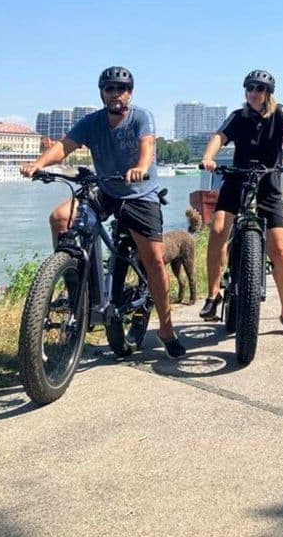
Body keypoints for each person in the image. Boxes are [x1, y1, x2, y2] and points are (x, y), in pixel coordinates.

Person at [20, 66, 185, 358]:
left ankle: (166, 328)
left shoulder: (141, 117)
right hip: (106, 189)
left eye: (121, 89)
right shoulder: (92, 122)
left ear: (129, 93)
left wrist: (141, 168)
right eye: (109, 89)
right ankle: (77, 296)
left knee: (155, 261)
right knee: (60, 218)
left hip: (140, 193)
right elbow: (64, 146)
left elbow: (147, 146)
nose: (115, 94)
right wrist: (39, 164)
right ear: (102, 93)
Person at [198, 69, 283, 336]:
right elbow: (218, 138)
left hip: (269, 179)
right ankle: (213, 295)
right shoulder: (238, 115)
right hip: (238, 176)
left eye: (259, 89)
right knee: (219, 228)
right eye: (249, 89)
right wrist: (209, 158)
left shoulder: (280, 113)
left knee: (278, 247)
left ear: (268, 92)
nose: (254, 93)